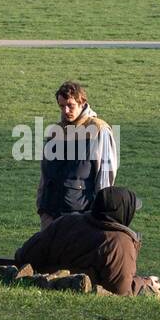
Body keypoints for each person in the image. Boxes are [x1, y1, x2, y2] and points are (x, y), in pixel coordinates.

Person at [14, 186, 160, 297]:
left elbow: (25, 255)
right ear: (124, 212)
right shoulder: (120, 243)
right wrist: (146, 283)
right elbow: (121, 290)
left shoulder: (67, 222)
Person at [36, 81, 118, 229]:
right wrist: (41, 207)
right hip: (50, 214)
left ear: (82, 103)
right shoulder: (55, 131)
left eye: (70, 106)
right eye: (62, 106)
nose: (66, 110)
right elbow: (45, 173)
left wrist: (99, 213)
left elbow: (105, 177)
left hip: (81, 215)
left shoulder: (99, 130)